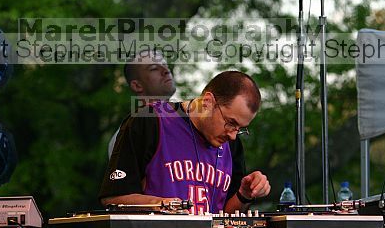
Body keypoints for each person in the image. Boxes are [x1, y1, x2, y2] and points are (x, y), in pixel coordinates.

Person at [100, 70, 271, 214]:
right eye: (231, 123)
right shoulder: (151, 121)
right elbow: (113, 198)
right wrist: (166, 206)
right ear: (208, 102)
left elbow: (226, 217)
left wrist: (244, 194)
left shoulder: (232, 144)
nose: (233, 135)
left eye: (240, 128)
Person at [107, 51, 176, 157]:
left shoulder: (192, 127)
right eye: (154, 69)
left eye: (165, 65)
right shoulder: (128, 137)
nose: (166, 71)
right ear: (137, 85)